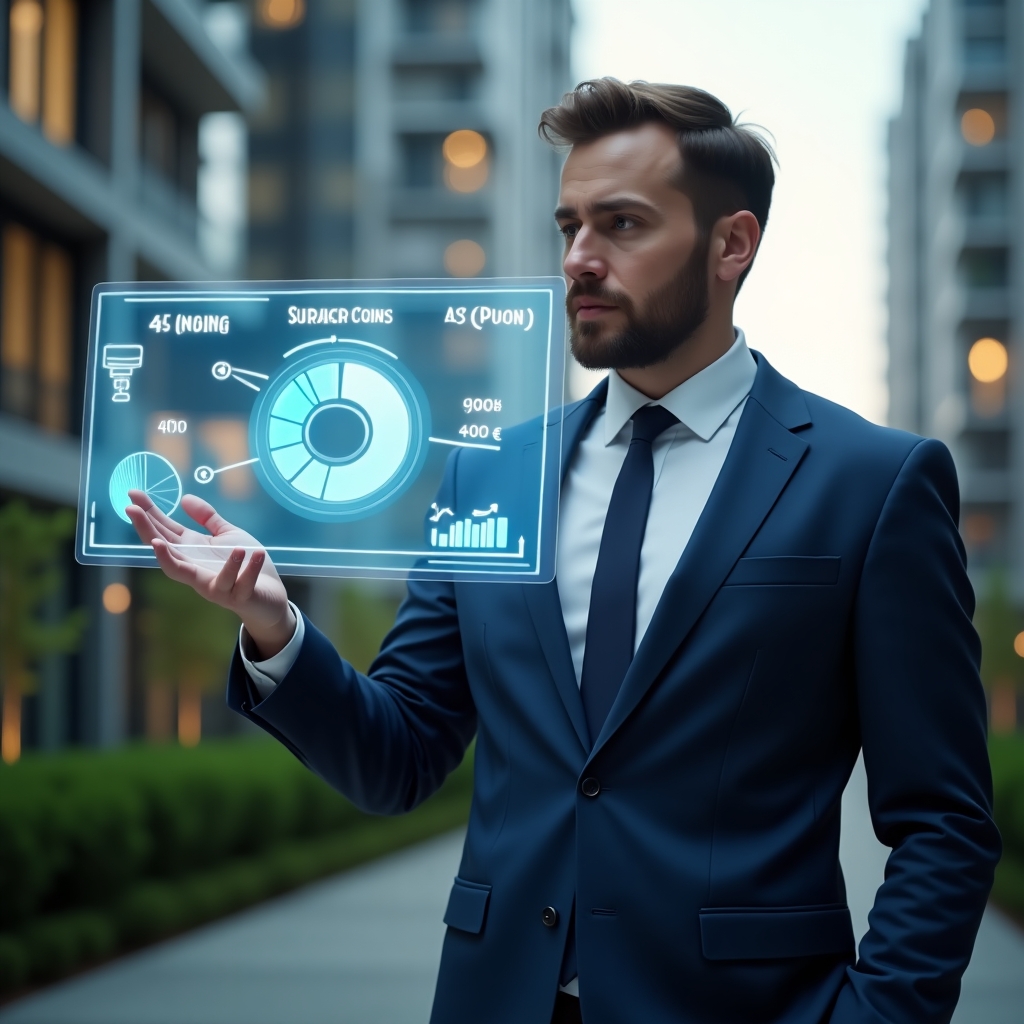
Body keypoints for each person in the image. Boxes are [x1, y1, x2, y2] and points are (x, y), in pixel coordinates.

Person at [127, 79, 1000, 1024]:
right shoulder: (487, 477)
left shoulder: (873, 483)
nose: (580, 259)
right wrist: (273, 624)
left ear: (731, 245)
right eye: (569, 226)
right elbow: (401, 755)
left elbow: (943, 822)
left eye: (621, 224)